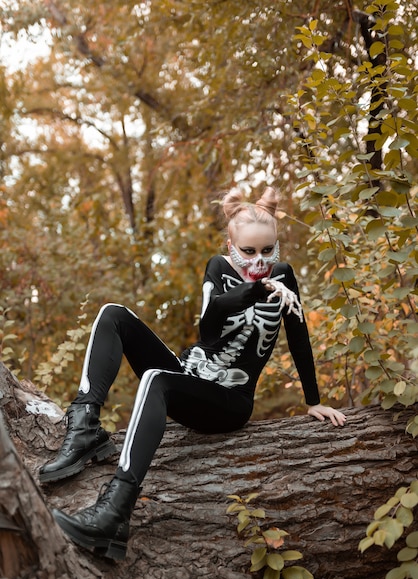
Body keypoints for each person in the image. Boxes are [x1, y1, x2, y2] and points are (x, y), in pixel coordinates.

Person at [43, 186, 346, 560]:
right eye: (249, 251)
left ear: (277, 245)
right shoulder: (218, 267)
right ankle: (85, 425)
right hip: (189, 375)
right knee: (113, 314)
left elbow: (300, 338)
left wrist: (313, 401)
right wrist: (250, 290)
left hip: (229, 401)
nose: (259, 259)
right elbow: (209, 325)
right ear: (232, 246)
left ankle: (115, 512)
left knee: (155, 378)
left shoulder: (283, 276)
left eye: (268, 250)